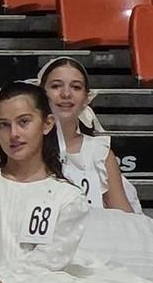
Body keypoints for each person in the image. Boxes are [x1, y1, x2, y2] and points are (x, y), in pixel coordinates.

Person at [0, 83, 90, 272]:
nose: (14, 134)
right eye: (4, 125)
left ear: (47, 124)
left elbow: (47, 262)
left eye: (24, 122)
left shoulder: (68, 198)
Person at [39, 56, 131, 211]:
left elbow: (124, 215)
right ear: (41, 93)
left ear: (86, 98)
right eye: (56, 86)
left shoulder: (99, 152)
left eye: (76, 87)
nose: (66, 94)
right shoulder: (27, 147)